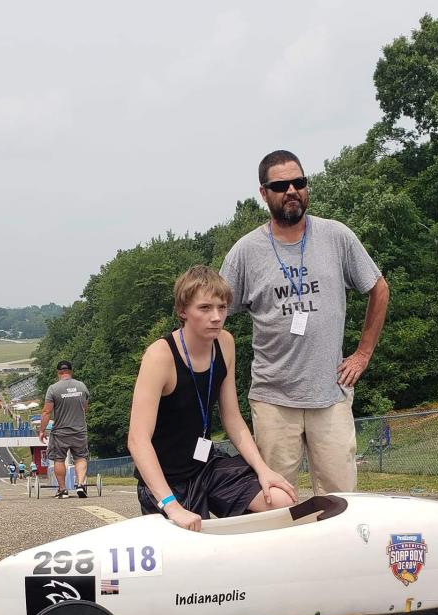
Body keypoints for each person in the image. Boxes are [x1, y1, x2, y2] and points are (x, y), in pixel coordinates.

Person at [219, 149, 389, 496]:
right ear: (264, 193)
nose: (292, 190)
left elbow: (378, 287)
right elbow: (215, 315)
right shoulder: (246, 252)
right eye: (281, 185)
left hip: (330, 394)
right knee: (278, 499)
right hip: (273, 398)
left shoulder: (336, 236)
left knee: (340, 499)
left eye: (299, 182)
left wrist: (363, 354)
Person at [128, 265, 297, 531]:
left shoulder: (224, 343)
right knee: (188, 539)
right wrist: (171, 505)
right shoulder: (160, 356)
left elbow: (232, 417)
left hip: (206, 465)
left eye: (222, 307)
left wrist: (263, 470)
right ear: (183, 311)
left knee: (280, 500)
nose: (216, 317)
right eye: (205, 308)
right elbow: (137, 440)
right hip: (168, 478)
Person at [39, 360, 90, 499]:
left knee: (59, 459)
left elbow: (46, 412)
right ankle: (80, 484)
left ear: (59, 373)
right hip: (79, 430)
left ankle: (62, 489)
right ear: (71, 371)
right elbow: (85, 407)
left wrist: (42, 430)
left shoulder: (53, 389)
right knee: (80, 457)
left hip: (60, 431)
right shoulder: (81, 386)